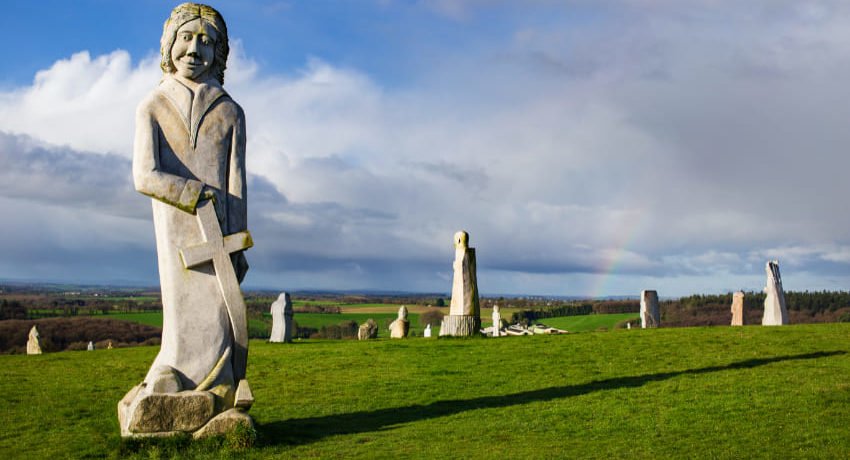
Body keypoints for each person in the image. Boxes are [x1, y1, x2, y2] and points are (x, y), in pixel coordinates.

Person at [132, 3, 247, 394]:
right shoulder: (153, 105)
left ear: (219, 52)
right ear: (170, 44)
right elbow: (144, 175)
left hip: (222, 234)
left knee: (219, 309)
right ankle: (173, 370)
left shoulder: (230, 112)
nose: (195, 49)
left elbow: (236, 184)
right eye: (186, 37)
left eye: (206, 41)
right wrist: (190, 192)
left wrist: (239, 242)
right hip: (178, 227)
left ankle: (220, 381)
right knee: (182, 305)